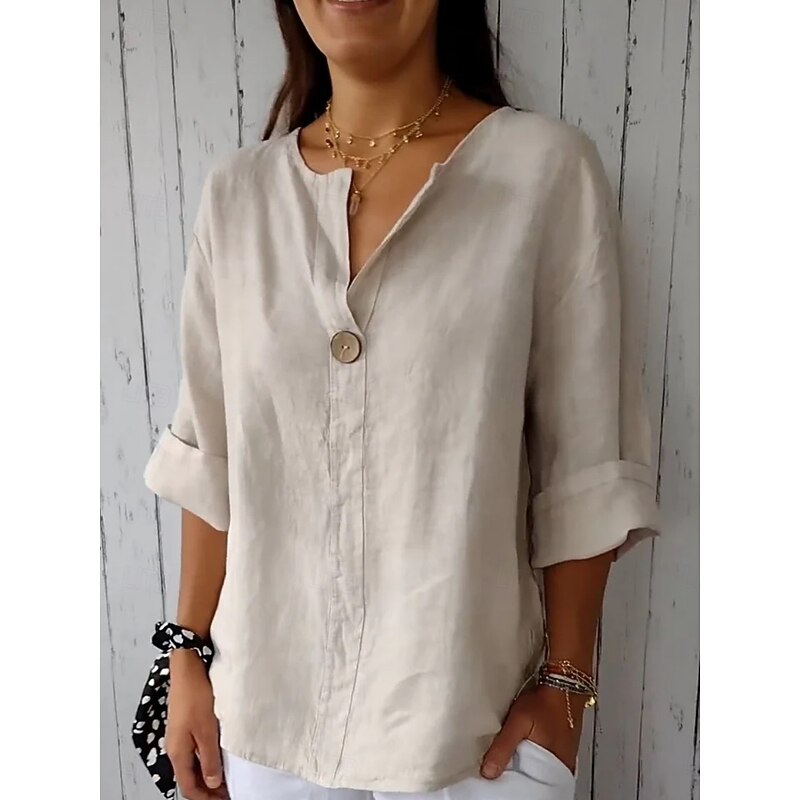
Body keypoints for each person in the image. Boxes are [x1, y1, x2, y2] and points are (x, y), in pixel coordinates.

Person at [142, 1, 661, 798]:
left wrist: (566, 687)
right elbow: (211, 455)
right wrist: (185, 658)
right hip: (265, 728)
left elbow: (585, 463)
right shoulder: (238, 198)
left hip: (471, 737)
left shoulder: (544, 173)